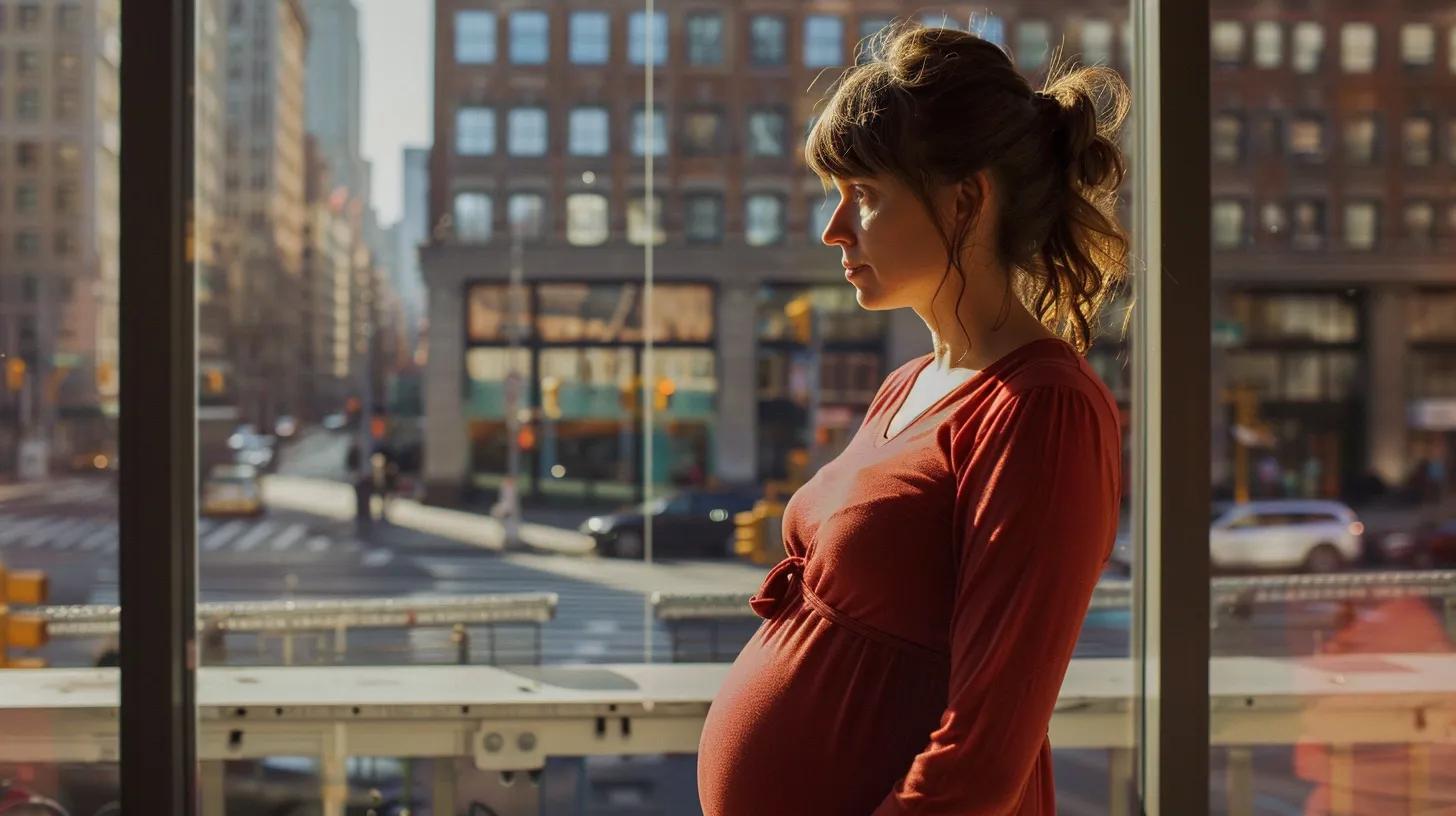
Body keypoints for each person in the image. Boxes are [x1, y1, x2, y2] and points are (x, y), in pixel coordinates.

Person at [696, 23, 1127, 815]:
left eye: (864, 196)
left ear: (966, 200)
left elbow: (984, 751)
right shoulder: (908, 384)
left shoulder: (1042, 410)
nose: (835, 230)